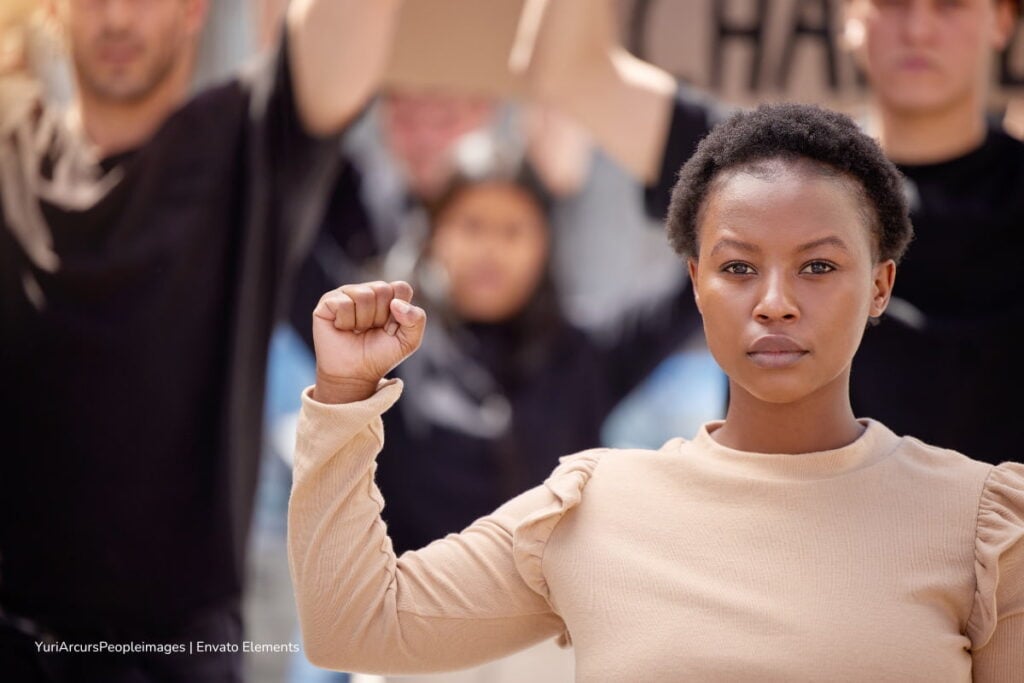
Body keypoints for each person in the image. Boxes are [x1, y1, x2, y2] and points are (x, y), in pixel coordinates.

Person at [288, 104, 1023, 680]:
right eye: (737, 267)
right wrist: (345, 399)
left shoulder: (983, 526)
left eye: (819, 267)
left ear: (881, 285)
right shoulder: (590, 510)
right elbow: (353, 623)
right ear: (695, 283)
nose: (774, 301)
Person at [0, 1, 401, 680]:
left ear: (193, 10)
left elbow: (350, 22)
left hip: (169, 653)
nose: (118, 17)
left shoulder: (247, 141)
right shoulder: (10, 140)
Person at [519, 0, 1024, 464]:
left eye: (949, 4)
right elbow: (571, 70)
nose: (918, 29)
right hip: (788, 541)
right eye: (892, 3)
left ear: (1002, 19)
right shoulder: (759, 174)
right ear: (849, 14)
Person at [333, 156, 699, 556]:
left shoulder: (584, 355)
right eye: (472, 226)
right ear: (434, 235)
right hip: (413, 606)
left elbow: (698, 282)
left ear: (544, 243)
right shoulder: (386, 350)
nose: (491, 250)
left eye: (512, 231)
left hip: (552, 610)